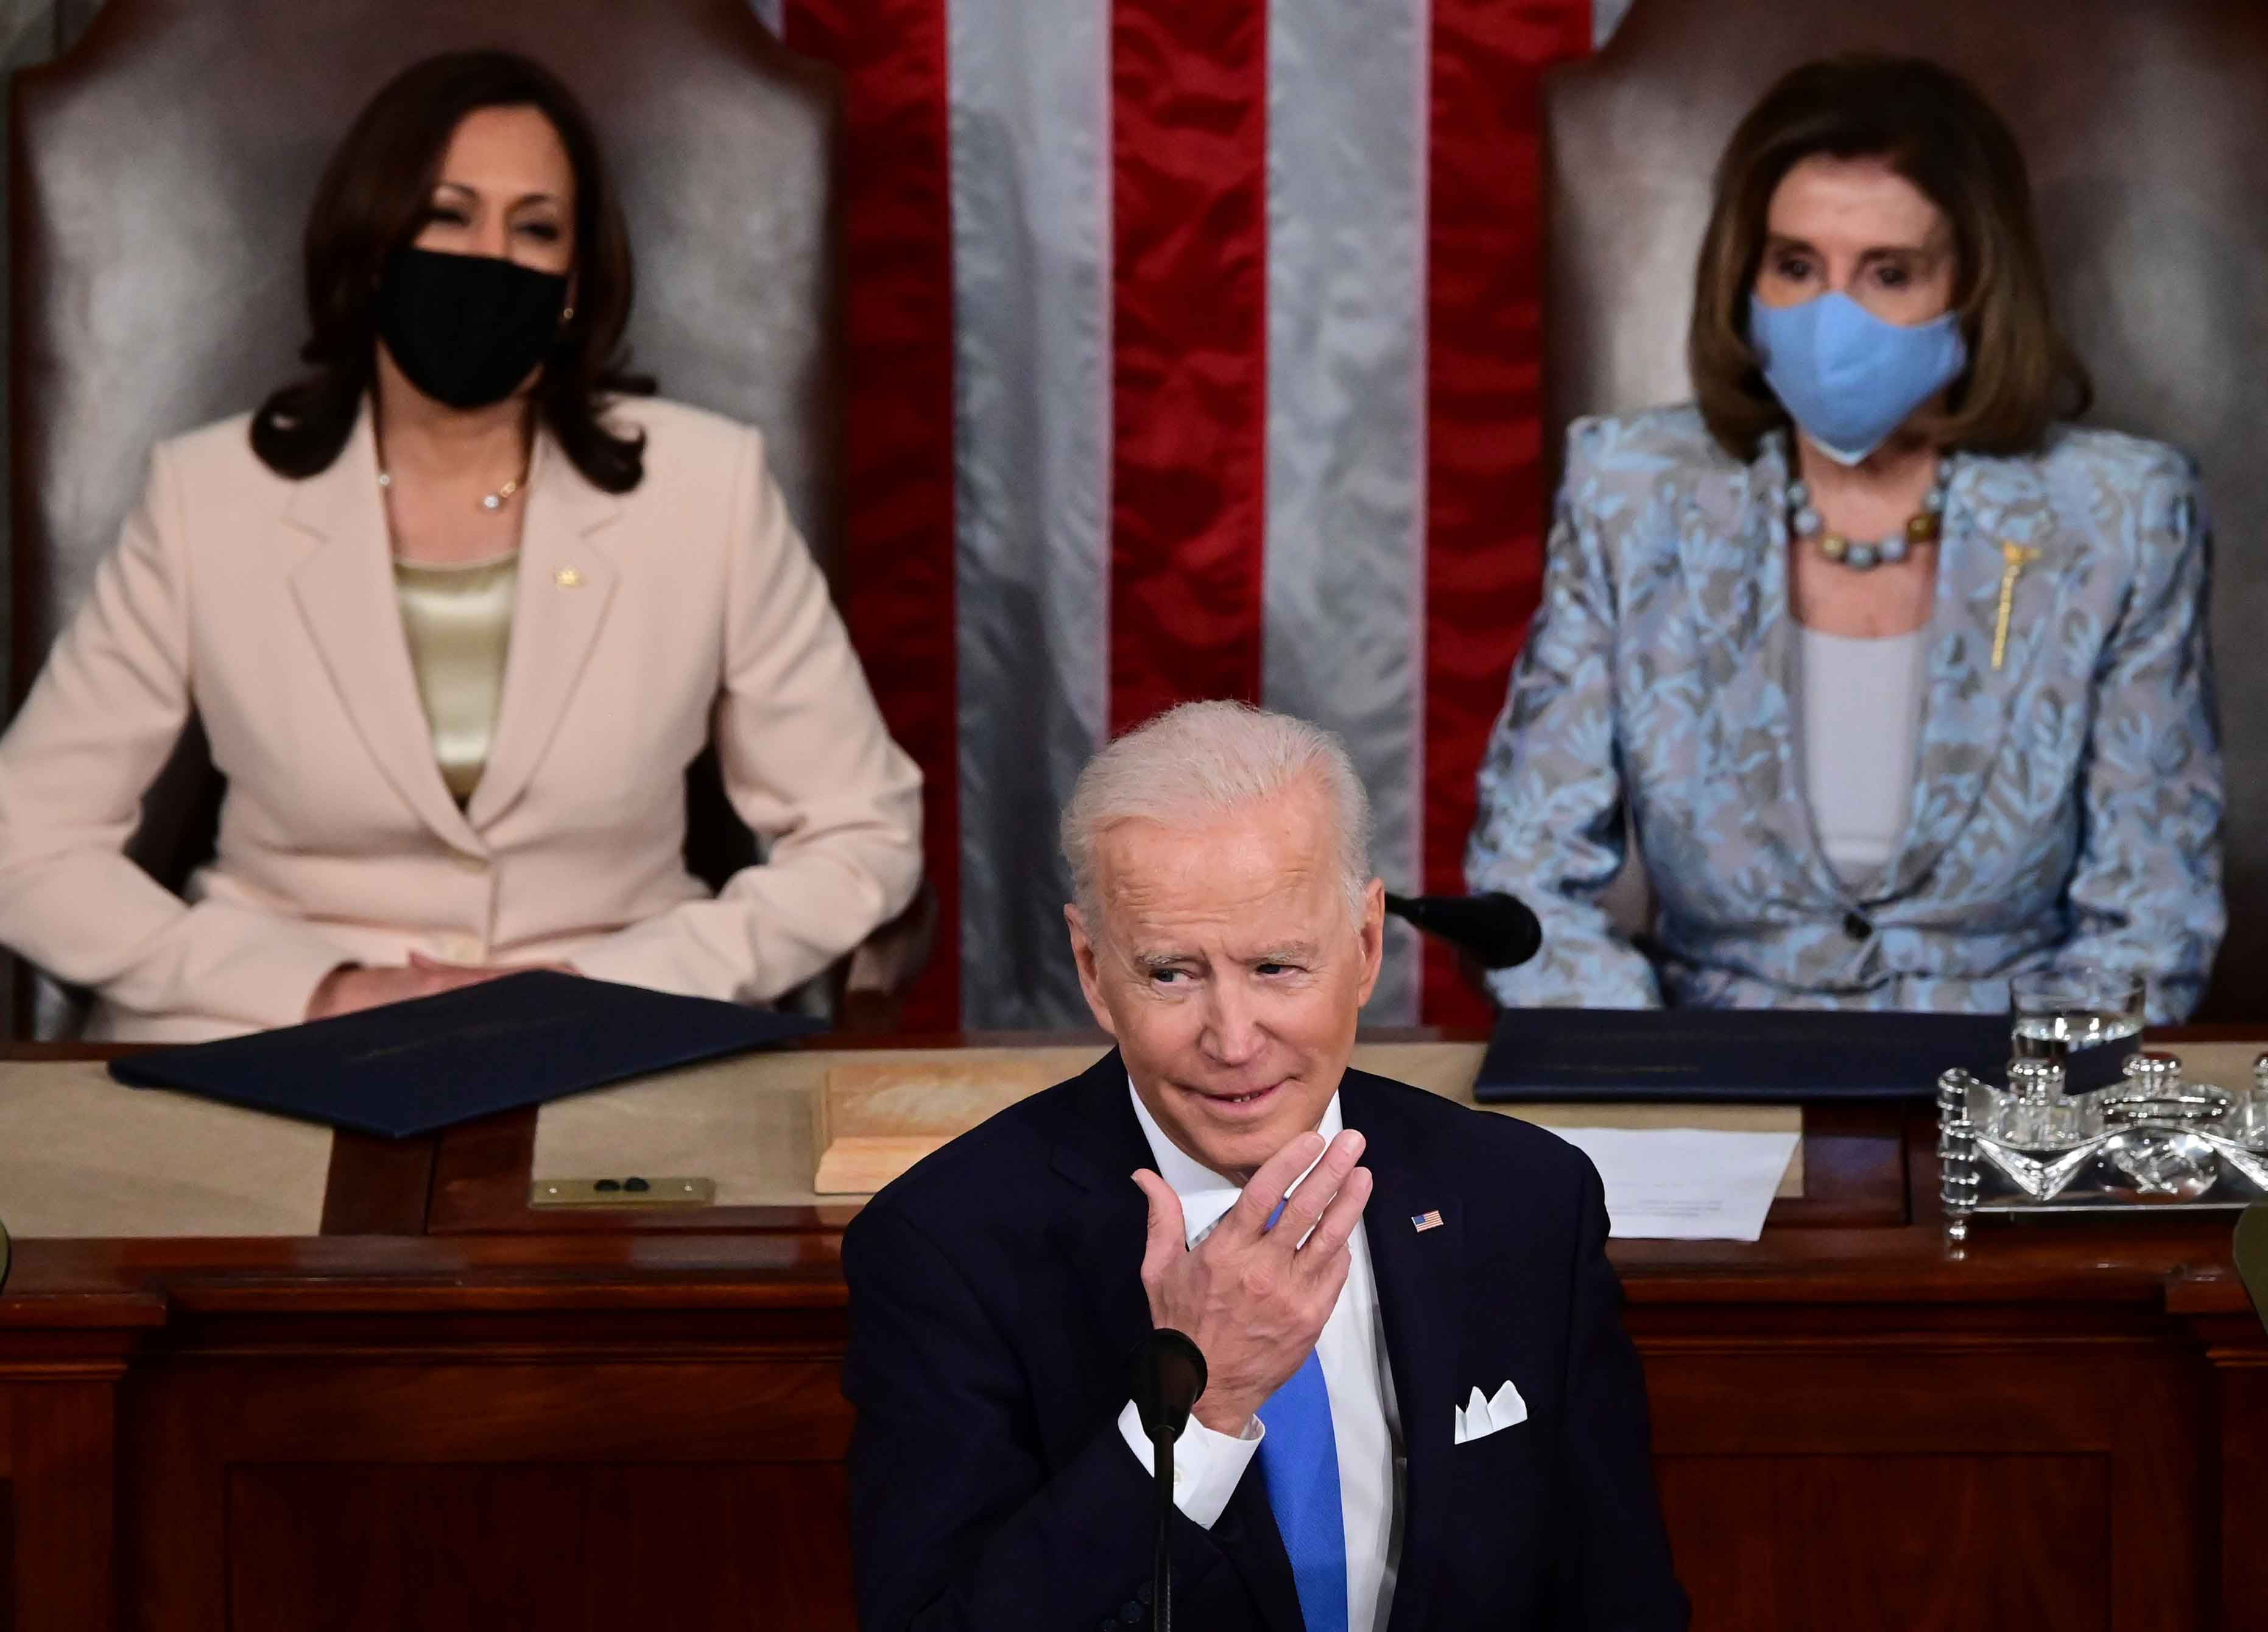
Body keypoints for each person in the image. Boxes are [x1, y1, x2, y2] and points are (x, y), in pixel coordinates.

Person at [0, 51, 921, 1041]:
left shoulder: (707, 487)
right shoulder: (208, 495)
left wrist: (625, 979)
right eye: (447, 215)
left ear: (574, 285)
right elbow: (25, 836)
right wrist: (317, 990)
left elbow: (862, 831)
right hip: (264, 1036)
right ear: (370, 246)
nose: (492, 258)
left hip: (616, 1032)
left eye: (536, 229)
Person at [843, 702, 1685, 1630]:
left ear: (1365, 948)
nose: (1234, 1042)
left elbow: (1620, 1600)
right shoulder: (946, 1247)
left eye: (1278, 967)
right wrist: (1200, 1409)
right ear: (1093, 970)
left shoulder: (1525, 1200)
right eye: (1171, 974)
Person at [1467, 55, 2222, 1020]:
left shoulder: (2121, 514)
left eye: (1889, 274)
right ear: (1745, 276)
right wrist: (1660, 1090)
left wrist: (2011, 1122)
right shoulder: (1631, 492)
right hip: (1712, 1081)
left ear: (1976, 292)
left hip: (2006, 1090)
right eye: (1795, 267)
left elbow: (2151, 921)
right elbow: (1526, 886)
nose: (1832, 318)